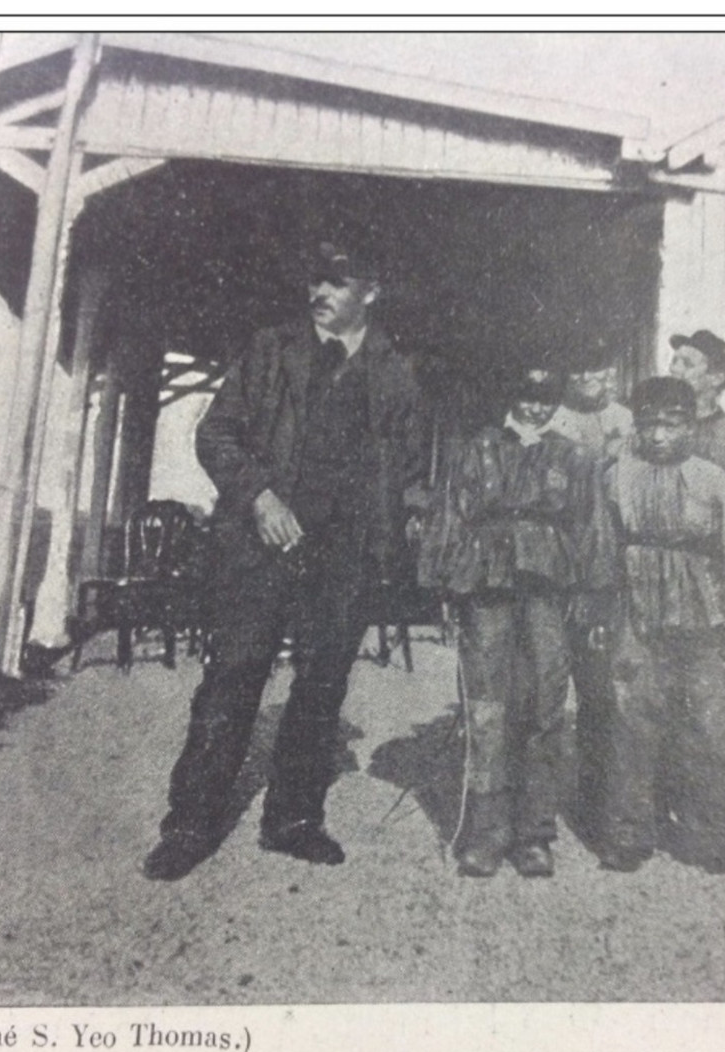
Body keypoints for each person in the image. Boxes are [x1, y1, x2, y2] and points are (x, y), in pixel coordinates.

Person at [143, 239, 428, 880]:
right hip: (261, 544)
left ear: (371, 292)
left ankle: (294, 819)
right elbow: (215, 432)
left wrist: (392, 530)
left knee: (322, 686)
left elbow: (408, 464)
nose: (318, 294)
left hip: (342, 556)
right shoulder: (272, 350)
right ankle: (189, 824)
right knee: (234, 676)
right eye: (314, 282)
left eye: (335, 283)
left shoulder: (394, 373)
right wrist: (260, 496)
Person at [418, 367, 612, 878]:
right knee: (487, 707)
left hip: (548, 593)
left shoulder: (575, 457)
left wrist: (592, 592)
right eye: (526, 397)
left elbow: (592, 527)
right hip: (486, 588)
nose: (535, 408)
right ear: (510, 397)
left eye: (546, 399)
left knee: (544, 705)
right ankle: (486, 832)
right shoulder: (474, 449)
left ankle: (533, 835)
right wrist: (443, 583)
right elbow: (448, 516)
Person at [592, 377, 725, 875]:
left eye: (670, 425)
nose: (658, 437)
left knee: (708, 726)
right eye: (648, 425)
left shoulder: (714, 481)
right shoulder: (616, 476)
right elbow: (602, 548)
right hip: (636, 611)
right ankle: (629, 834)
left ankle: (711, 836)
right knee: (633, 721)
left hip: (702, 616)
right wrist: (599, 612)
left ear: (690, 426)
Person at [547, 340, 632, 833]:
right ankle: (539, 803)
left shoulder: (628, 421)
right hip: (560, 568)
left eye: (598, 369)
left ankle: (598, 800)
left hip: (610, 576)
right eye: (580, 370)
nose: (589, 379)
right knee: (546, 686)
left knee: (603, 692)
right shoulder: (551, 421)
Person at [667, 328, 725, 488]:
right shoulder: (659, 426)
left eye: (687, 364)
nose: (674, 369)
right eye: (674, 361)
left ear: (716, 378)